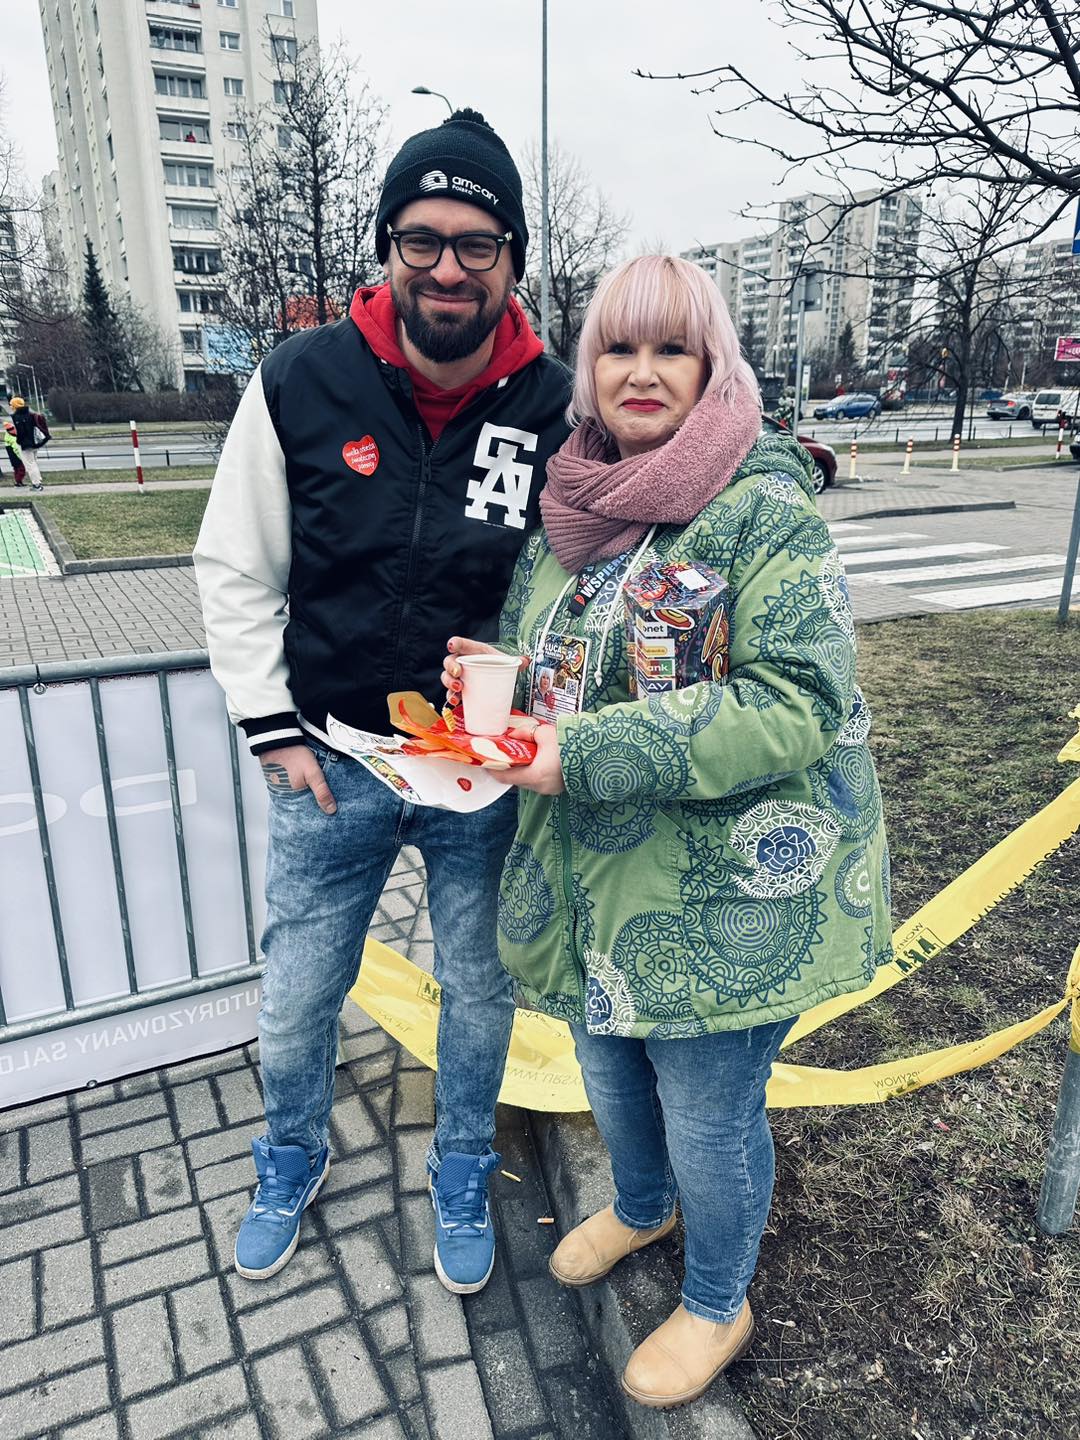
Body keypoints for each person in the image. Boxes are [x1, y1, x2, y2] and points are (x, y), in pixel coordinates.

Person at [443, 254, 891, 1407]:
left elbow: (797, 701)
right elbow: (562, 667)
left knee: (708, 1111)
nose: (641, 372)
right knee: (607, 1064)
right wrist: (502, 682)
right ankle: (642, 1209)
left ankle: (718, 1300)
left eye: (670, 348)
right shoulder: (571, 512)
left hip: (723, 896)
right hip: (598, 885)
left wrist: (580, 752)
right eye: (618, 349)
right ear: (588, 370)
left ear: (711, 365)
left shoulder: (761, 509)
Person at [194, 108, 570, 1292]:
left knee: (481, 991)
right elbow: (234, 565)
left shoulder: (557, 405)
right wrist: (272, 730)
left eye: (477, 243)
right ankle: (288, 1152)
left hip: (480, 770)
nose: (448, 268)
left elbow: (596, 579)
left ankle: (462, 1161)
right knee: (297, 993)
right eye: (422, 239)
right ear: (388, 248)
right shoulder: (301, 379)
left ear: (512, 258)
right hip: (334, 760)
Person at [8, 398, 50, 491]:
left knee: (30, 464)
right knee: (33, 462)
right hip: (35, 442)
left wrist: (18, 440)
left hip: (26, 444)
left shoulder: (17, 416)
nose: (10, 406)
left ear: (15, 405)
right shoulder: (30, 414)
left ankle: (36, 485)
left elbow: (21, 432)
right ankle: (38, 480)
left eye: (11, 404)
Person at [3, 421, 26, 486]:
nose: (14, 430)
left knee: (16, 469)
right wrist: (21, 457)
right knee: (21, 469)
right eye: (13, 428)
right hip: (17, 457)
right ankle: (18, 481)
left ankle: (19, 482)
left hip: (12, 457)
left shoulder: (7, 436)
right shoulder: (13, 439)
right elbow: (16, 449)